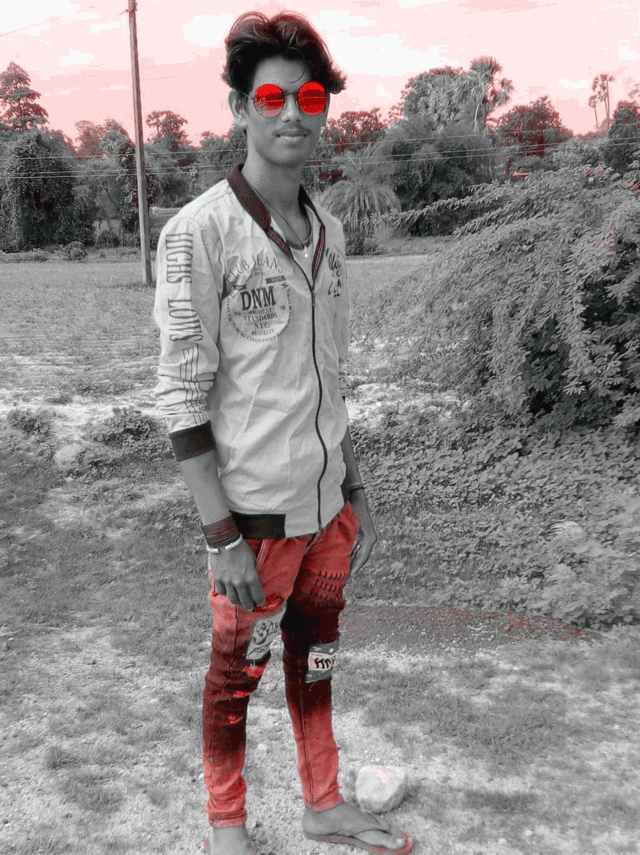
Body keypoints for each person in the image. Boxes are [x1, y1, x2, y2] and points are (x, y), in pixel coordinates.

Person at [153, 11, 413, 855]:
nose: (292, 113)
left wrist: (356, 489)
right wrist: (220, 535)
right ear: (240, 108)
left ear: (324, 108)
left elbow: (331, 374)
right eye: (271, 97)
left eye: (309, 97)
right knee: (235, 677)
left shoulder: (329, 232)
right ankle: (227, 827)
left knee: (316, 660)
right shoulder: (199, 234)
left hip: (328, 510)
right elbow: (183, 399)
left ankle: (323, 803)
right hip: (254, 523)